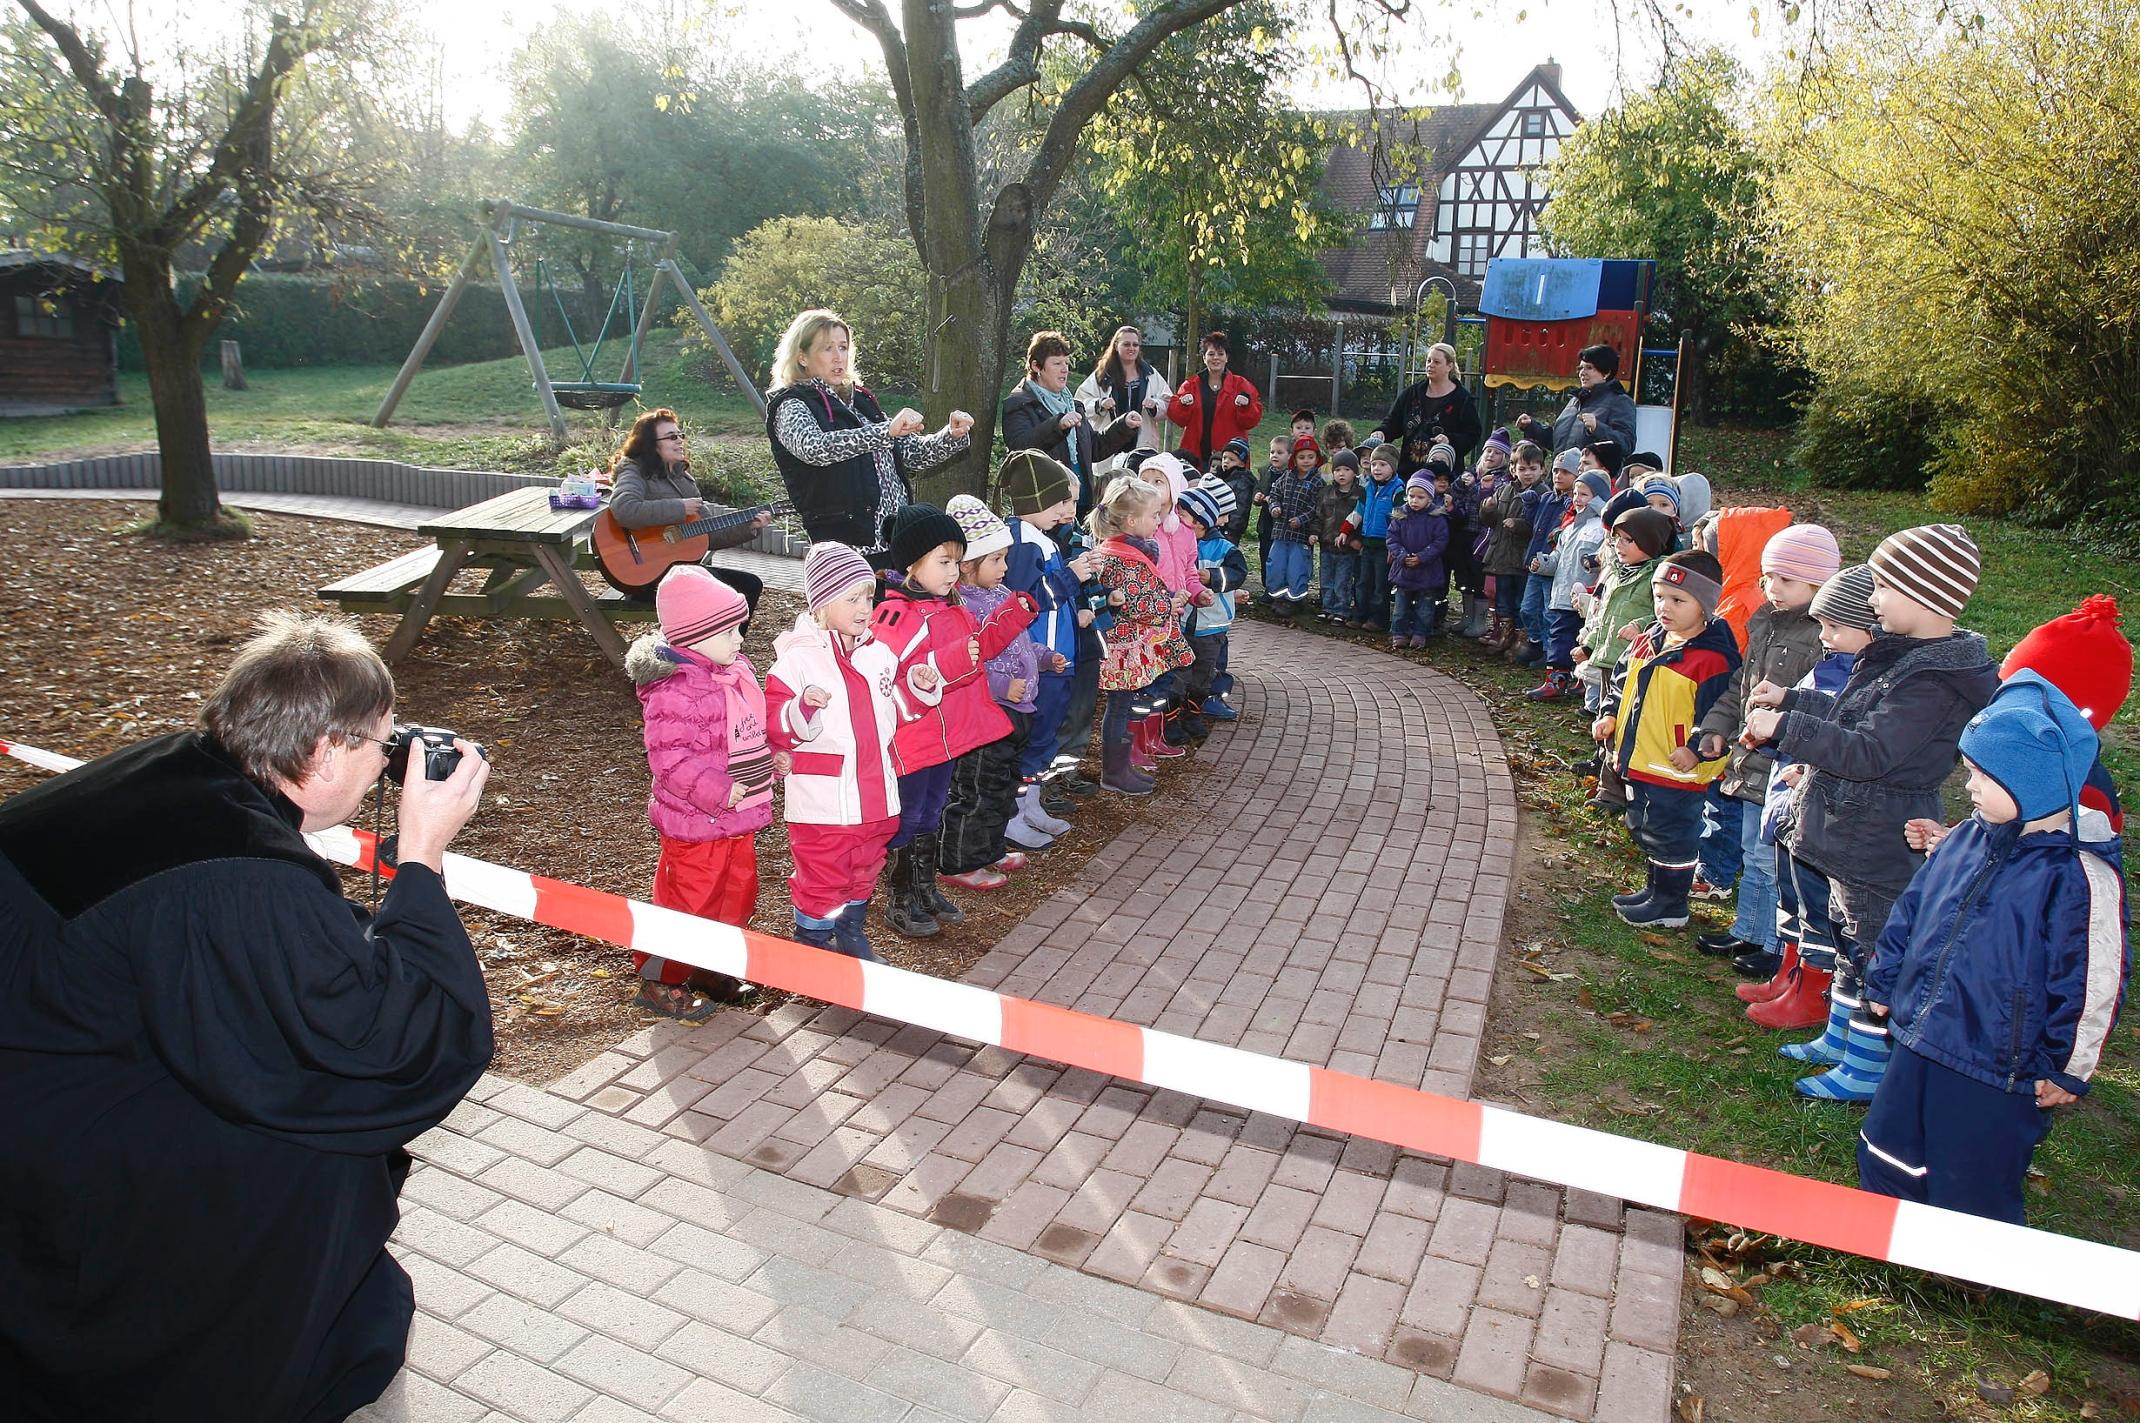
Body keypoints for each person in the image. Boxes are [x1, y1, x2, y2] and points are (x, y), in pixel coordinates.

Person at [0, 612, 493, 1421]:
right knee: (320, 1151)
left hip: (47, 1059)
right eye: (382, 743)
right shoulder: (241, 874)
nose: (388, 763)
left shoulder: (175, 769)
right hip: (64, 1144)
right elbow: (384, 1045)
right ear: (324, 753)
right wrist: (422, 854)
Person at [1857, 672, 2127, 1226]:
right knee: (1889, 1145)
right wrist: (1885, 978)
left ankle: (1971, 1258)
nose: (1969, 786)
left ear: (2031, 782)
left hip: (1996, 1062)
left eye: (1982, 775)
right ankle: (1893, 1231)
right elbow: (1913, 910)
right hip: (1920, 1034)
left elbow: (2091, 980)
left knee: (1972, 1171)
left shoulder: (2077, 876)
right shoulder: (1966, 838)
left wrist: (2067, 1066)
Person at [1740, 526, 2000, 1073]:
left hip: (1881, 830)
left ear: (1924, 594)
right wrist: (1793, 700)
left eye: (1883, 587)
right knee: (1845, 934)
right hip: (1853, 824)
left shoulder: (1932, 680)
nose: (1873, 598)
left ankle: (1868, 1062)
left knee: (1872, 944)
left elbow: (1870, 751)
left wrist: (1786, 726)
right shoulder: (1902, 658)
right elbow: (1851, 715)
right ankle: (1840, 1038)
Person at [764, 542, 940, 959]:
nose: (865, 608)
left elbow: (894, 709)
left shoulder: (880, 655)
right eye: (852, 599)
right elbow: (775, 725)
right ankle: (812, 949)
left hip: (876, 795)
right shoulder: (797, 662)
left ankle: (850, 934)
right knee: (822, 878)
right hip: (825, 803)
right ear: (822, 603)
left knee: (866, 867)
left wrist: (918, 688)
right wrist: (802, 707)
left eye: (868, 597)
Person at [869, 505, 1038, 937]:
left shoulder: (951, 607)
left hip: (944, 739)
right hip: (912, 740)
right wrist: (953, 660)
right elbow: (892, 679)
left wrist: (1012, 616)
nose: (953, 571)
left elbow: (976, 651)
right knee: (908, 817)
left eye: (956, 561)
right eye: (943, 562)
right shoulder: (895, 617)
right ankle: (900, 897)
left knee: (931, 813)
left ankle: (924, 889)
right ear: (912, 564)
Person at [627, 566, 778, 1018]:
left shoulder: (732, 675)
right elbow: (670, 760)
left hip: (736, 816)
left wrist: (771, 757)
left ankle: (712, 967)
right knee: (689, 903)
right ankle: (661, 978)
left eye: (739, 628)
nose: (739, 640)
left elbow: (747, 734)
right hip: (697, 821)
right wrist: (717, 790)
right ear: (694, 637)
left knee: (737, 893)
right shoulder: (674, 690)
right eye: (729, 631)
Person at [1690, 526, 1840, 971]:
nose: (1773, 587)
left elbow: (1823, 703)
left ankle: (1776, 944)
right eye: (1768, 577)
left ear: (1818, 583)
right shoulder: (1765, 622)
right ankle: (1750, 931)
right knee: (1753, 851)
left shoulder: (1822, 637)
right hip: (1750, 758)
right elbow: (1742, 684)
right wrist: (1717, 727)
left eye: (1786, 579)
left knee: (1771, 858)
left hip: (1781, 760)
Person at [1593, 551, 1743, 928]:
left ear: (1704, 605)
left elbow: (1719, 714)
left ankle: (1671, 903)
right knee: (1648, 827)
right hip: (1643, 759)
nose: (1665, 607)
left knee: (1673, 834)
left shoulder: (1712, 659)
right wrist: (1610, 714)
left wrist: (1695, 750)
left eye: (1678, 600)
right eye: (1660, 597)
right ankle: (1655, 890)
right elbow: (1622, 684)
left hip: (1677, 768)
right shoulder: (1648, 641)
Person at [765, 309, 973, 561]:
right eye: (827, 348)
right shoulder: (791, 404)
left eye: (843, 347)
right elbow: (815, 448)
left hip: (897, 541)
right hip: (847, 547)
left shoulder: (861, 400)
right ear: (802, 357)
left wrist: (951, 435)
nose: (838, 356)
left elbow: (913, 454)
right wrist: (885, 431)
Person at [937, 496, 1055, 888]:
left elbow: (1020, 643)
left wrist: (1043, 658)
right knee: (978, 789)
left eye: (1005, 558)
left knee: (1004, 786)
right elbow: (969, 662)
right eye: (996, 559)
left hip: (1018, 712)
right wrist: (1003, 685)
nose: (1005, 567)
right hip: (987, 715)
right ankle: (961, 861)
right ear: (967, 564)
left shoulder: (1001, 595)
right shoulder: (962, 608)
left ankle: (991, 848)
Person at [607, 407, 771, 615]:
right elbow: (624, 509)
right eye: (671, 437)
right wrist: (680, 507)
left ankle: (728, 637)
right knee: (721, 593)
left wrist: (749, 526)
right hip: (644, 574)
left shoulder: (682, 478)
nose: (680, 441)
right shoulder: (634, 471)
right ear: (650, 444)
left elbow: (710, 535)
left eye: (680, 435)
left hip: (677, 570)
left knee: (750, 585)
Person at [1000, 451, 1090, 822]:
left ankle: (1030, 806)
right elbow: (1028, 600)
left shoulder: (1041, 538)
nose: (1064, 510)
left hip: (1056, 656)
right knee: (1034, 735)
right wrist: (1071, 576)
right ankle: (1015, 814)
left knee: (1045, 734)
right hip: (1039, 660)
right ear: (1033, 501)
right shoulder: (1024, 542)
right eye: (1058, 502)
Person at [1089, 479, 1194, 794]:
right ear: (1132, 521)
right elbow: (1136, 603)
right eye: (1154, 515)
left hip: (1127, 646)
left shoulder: (1123, 551)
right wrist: (1168, 605)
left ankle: (1121, 768)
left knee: (1121, 707)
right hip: (1122, 651)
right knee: (1119, 708)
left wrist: (1167, 599)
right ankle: (1114, 773)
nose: (1158, 520)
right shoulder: (1124, 557)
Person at [1004, 331, 1141, 523]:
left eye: (1066, 363)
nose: (1064, 370)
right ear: (1036, 366)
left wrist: (1123, 425)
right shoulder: (1019, 403)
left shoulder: (1072, 404)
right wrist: (1057, 426)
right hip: (1045, 511)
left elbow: (1094, 448)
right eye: (1057, 363)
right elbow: (1020, 450)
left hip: (1080, 505)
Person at [1525, 470, 1611, 701]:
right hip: (1563, 595)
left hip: (1587, 597)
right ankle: (1556, 680)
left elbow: (1604, 559)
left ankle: (1580, 681)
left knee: (1584, 638)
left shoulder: (1601, 528)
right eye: (1575, 493)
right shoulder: (1570, 527)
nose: (1577, 499)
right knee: (1560, 636)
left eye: (1584, 494)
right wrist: (1543, 564)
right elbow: (1558, 557)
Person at [1176, 484, 1247, 743]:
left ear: (1199, 521)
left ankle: (1193, 716)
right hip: (1181, 622)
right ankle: (1173, 718)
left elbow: (1238, 574)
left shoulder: (1224, 548)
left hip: (1211, 626)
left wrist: (1214, 578)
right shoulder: (1177, 542)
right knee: (1179, 675)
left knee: (1202, 677)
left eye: (1182, 515)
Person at [1369, 340, 1482, 474]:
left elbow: (1473, 433)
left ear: (1449, 366)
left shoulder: (1462, 399)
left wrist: (1450, 440)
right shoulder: (1412, 393)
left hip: (1443, 475)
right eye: (1429, 361)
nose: (1430, 365)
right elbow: (1393, 422)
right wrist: (1382, 432)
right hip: (1408, 472)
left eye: (1436, 362)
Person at [1074, 324, 1173, 475]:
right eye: (1126, 344)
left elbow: (1168, 402)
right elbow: (1080, 403)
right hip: (1108, 448)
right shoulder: (1102, 375)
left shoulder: (1150, 374)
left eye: (1135, 345)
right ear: (1116, 346)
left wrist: (1155, 406)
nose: (1131, 348)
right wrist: (1099, 404)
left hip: (1141, 446)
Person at [1512, 450, 1579, 666]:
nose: (1559, 476)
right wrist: (1531, 505)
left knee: (1549, 612)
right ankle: (1536, 641)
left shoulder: (1573, 504)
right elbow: (1533, 524)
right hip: (1536, 563)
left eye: (1566, 472)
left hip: (1554, 567)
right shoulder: (1548, 498)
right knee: (1527, 608)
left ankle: (1550, 652)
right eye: (1556, 471)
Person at [1514, 342, 1637, 458]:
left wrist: (1597, 428)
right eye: (1580, 368)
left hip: (1592, 474)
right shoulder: (1574, 401)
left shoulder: (1620, 401)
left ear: (1606, 373)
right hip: (1560, 473)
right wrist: (1532, 427)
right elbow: (1559, 444)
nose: (1582, 373)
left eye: (1589, 368)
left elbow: (1626, 444)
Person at [1165, 330, 1264, 465]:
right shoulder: (1190, 385)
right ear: (1204, 358)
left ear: (1227, 358)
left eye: (1220, 354)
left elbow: (1251, 421)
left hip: (1229, 457)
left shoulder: (1241, 385)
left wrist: (1246, 407)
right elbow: (1178, 418)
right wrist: (1182, 405)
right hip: (1195, 455)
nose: (1216, 358)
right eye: (1211, 354)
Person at [1480, 439, 1542, 650]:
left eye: (1533, 468)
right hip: (1501, 556)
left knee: (1520, 601)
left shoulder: (1542, 493)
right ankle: (1505, 635)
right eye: (1522, 469)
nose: (1528, 473)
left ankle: (1520, 639)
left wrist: (1519, 525)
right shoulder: (1504, 490)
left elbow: (1538, 526)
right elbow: (1490, 522)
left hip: (1522, 557)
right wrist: (1487, 509)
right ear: (1513, 470)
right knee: (1502, 599)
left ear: (1542, 469)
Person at [1386, 472, 1449, 648]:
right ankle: (1399, 633)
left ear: (1430, 498)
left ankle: (1420, 634)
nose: (1414, 501)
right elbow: (1392, 539)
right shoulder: (1400, 516)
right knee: (1400, 606)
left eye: (1420, 497)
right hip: (1403, 569)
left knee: (1425, 607)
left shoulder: (1437, 518)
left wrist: (1422, 557)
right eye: (1411, 496)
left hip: (1428, 570)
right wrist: (1402, 555)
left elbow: (1440, 542)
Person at [1263, 435, 1325, 609]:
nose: (1306, 461)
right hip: (1281, 531)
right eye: (1302, 457)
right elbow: (1274, 494)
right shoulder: (1287, 476)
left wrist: (1301, 519)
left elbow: (1316, 507)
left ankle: (1295, 600)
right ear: (1294, 459)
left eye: (1310, 457)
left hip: (1301, 535)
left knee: (1297, 568)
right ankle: (1278, 596)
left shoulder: (1317, 481)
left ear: (1317, 459)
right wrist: (1274, 507)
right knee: (1276, 565)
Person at [1355, 441, 1404, 632]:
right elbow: (1358, 511)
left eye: (1383, 464)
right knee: (1362, 581)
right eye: (1374, 464)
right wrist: (1345, 531)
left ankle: (1378, 619)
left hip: (1384, 545)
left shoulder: (1398, 490)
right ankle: (1360, 614)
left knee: (1380, 584)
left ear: (1393, 467)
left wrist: (1394, 545)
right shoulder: (1368, 487)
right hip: (1367, 542)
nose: (1376, 468)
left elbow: (1399, 520)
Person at [1315, 450, 1364, 624]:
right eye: (1337, 470)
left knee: (1342, 580)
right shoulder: (1326, 492)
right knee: (1326, 579)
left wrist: (1356, 540)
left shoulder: (1360, 494)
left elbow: (1362, 519)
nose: (1341, 474)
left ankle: (1341, 610)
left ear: (1355, 472)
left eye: (1346, 469)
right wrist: (1314, 533)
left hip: (1347, 548)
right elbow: (1318, 516)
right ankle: (1327, 607)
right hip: (1327, 543)